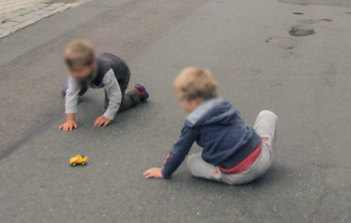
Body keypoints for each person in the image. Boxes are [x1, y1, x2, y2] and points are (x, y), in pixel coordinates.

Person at [144, 67, 276, 185]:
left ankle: (220, 173)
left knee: (192, 161)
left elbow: (180, 149)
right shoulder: (224, 104)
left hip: (239, 175)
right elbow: (239, 123)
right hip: (262, 158)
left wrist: (164, 171)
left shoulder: (192, 123)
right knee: (267, 115)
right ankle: (256, 147)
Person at [60, 41, 148, 131]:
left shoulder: (106, 73)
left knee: (114, 106)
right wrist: (69, 120)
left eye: (80, 71)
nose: (76, 74)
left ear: (91, 65)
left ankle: (138, 93)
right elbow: (71, 94)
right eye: (73, 70)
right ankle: (76, 87)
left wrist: (108, 116)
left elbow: (115, 95)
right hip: (95, 72)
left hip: (120, 74)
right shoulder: (77, 72)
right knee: (73, 88)